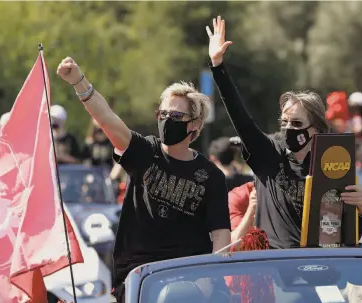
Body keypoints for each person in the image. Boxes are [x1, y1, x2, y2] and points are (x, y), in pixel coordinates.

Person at [56, 57, 231, 302]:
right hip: (141, 274)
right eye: (163, 113)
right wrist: (78, 81)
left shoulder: (211, 176)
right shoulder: (145, 151)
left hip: (192, 274)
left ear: (195, 125)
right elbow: (107, 119)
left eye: (176, 116)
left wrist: (208, 281)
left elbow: (222, 237)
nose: (167, 119)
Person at [205, 16, 362, 249]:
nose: (289, 128)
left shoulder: (332, 166)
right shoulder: (269, 153)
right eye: (285, 122)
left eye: (297, 123)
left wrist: (360, 209)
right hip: (276, 271)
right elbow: (241, 117)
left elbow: (345, 234)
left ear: (317, 129)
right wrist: (218, 66)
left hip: (321, 270)